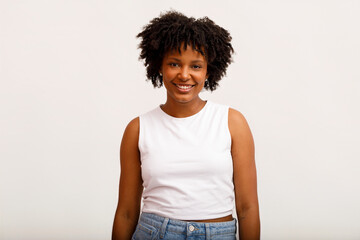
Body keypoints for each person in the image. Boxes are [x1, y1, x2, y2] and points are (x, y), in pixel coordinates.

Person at [112, 11, 260, 240]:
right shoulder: (138, 129)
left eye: (196, 66)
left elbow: (247, 208)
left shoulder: (232, 122)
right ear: (159, 66)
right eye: (174, 63)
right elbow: (127, 213)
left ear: (208, 70)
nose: (184, 75)